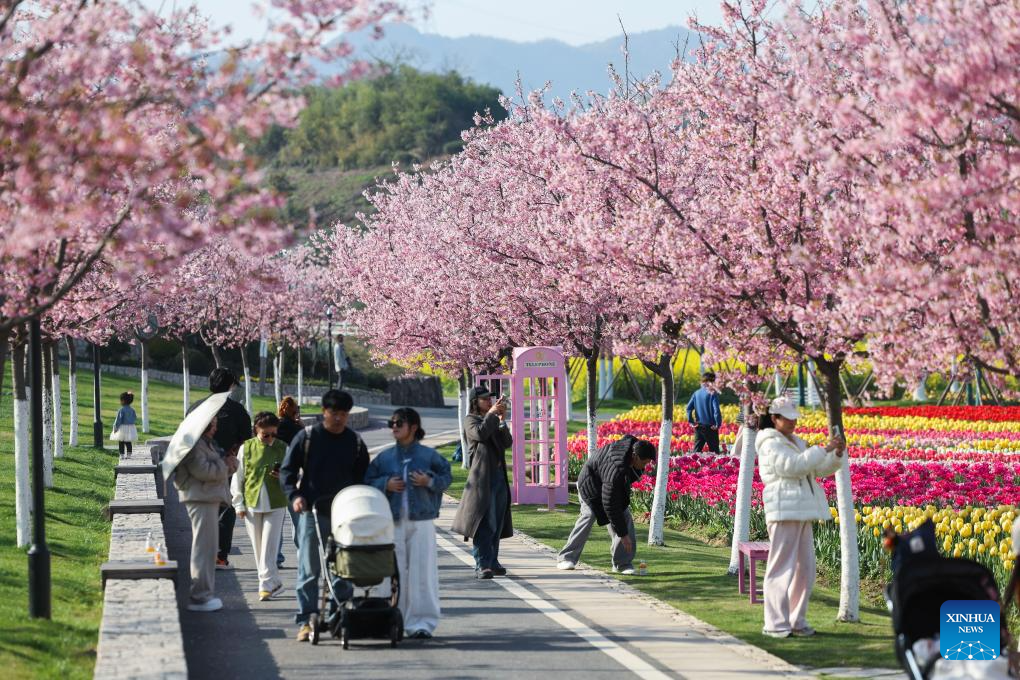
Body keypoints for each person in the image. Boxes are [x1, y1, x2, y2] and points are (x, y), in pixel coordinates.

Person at [280, 389, 369, 642]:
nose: (339, 419)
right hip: (312, 511)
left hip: (346, 515)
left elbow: (363, 478)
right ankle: (306, 619)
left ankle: (338, 616)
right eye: (334, 413)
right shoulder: (307, 437)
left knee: (343, 569)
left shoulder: (355, 442)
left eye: (343, 414)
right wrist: (295, 496)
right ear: (323, 412)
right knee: (309, 570)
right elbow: (287, 472)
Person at [756, 396, 845, 638]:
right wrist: (822, 449)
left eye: (794, 418)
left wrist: (835, 455)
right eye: (788, 418)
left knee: (805, 568)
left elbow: (816, 469)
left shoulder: (796, 441)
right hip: (783, 511)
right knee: (781, 567)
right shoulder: (769, 443)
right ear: (774, 419)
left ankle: (797, 619)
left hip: (802, 510)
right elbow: (792, 467)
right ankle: (775, 622)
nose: (793, 423)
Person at [364, 407, 452, 639]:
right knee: (391, 573)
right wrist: (385, 484)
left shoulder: (428, 455)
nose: (394, 426)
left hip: (421, 521)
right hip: (392, 521)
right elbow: (367, 480)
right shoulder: (384, 458)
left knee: (422, 573)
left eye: (399, 423)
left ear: (413, 427)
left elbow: (446, 476)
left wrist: (429, 481)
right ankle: (392, 619)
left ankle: (422, 623)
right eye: (391, 422)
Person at [556, 434, 656, 574]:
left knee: (625, 517)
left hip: (607, 485)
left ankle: (622, 564)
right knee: (589, 515)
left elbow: (616, 495)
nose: (645, 467)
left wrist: (621, 531)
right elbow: (609, 502)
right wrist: (623, 535)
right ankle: (566, 558)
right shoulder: (615, 467)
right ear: (635, 456)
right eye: (644, 463)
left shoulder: (633, 451)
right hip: (589, 485)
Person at [189, 367, 252, 569]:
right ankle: (220, 556)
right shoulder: (237, 410)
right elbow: (246, 440)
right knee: (225, 510)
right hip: (225, 466)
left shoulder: (196, 407)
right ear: (231, 386)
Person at [174, 414, 239, 612]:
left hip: (208, 498)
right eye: (213, 424)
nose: (216, 428)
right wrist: (225, 465)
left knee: (209, 548)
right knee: (204, 548)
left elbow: (218, 469)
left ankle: (204, 593)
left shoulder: (206, 443)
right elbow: (203, 471)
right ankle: (200, 596)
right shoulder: (194, 445)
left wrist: (230, 464)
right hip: (200, 499)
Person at [451, 386, 513, 579]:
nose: (489, 401)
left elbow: (507, 442)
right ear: (475, 401)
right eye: (485, 399)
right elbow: (480, 434)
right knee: (483, 523)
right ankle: (482, 564)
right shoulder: (471, 420)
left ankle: (492, 561)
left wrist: (502, 421)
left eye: (490, 399)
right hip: (481, 480)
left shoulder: (491, 420)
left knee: (497, 522)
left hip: (498, 477)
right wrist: (493, 415)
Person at [231, 412, 289, 601]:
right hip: (251, 504)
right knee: (258, 548)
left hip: (277, 503)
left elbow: (295, 476)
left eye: (273, 434)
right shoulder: (246, 448)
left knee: (269, 546)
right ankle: (274, 583)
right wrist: (238, 503)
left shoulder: (284, 448)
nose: (270, 438)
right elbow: (238, 478)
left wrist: (283, 477)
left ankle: (264, 585)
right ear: (257, 430)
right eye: (266, 434)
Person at [275, 395, 303, 567]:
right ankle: (302, 553)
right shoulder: (297, 430)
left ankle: (276, 556)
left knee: (277, 521)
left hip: (275, 477)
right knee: (298, 521)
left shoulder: (275, 426)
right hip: (293, 480)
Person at [687, 371, 723, 453]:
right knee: (715, 453)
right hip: (711, 427)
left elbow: (688, 408)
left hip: (699, 427)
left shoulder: (696, 393)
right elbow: (716, 410)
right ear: (711, 382)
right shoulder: (713, 393)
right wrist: (718, 424)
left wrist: (691, 421)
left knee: (696, 452)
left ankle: (693, 466)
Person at [110, 391, 138, 458]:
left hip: (122, 427)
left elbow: (118, 420)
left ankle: (121, 454)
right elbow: (135, 418)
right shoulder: (132, 410)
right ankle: (129, 454)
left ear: (123, 401)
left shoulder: (121, 410)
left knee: (121, 441)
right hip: (131, 427)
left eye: (121, 400)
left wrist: (115, 427)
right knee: (128, 441)